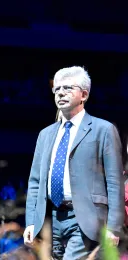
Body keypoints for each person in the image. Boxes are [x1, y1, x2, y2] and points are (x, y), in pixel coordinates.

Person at [23, 66, 124, 259]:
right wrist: (30, 221)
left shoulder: (103, 129)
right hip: (49, 218)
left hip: (85, 218)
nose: (60, 92)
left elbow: (114, 182)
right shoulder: (45, 134)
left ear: (84, 94)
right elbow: (35, 182)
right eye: (57, 89)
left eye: (67, 88)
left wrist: (113, 226)